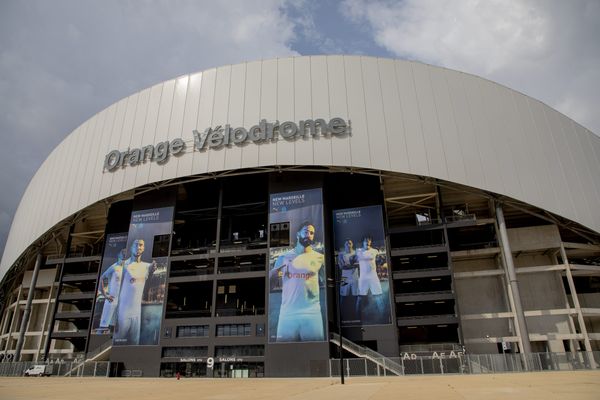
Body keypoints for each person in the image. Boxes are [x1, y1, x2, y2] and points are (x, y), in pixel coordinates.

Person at [270, 221, 325, 341]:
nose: (309, 235)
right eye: (306, 232)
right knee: (284, 354)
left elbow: (326, 282)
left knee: (315, 353)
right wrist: (272, 275)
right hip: (287, 315)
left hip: (312, 314)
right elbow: (269, 286)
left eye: (312, 233)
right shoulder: (283, 258)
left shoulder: (320, 258)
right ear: (298, 234)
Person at [114, 239, 156, 345]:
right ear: (132, 247)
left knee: (134, 344)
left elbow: (146, 286)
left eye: (141, 245)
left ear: (144, 248)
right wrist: (115, 316)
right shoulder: (124, 265)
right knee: (117, 343)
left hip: (137, 314)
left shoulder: (147, 266)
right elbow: (115, 290)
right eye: (136, 245)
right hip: (123, 314)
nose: (138, 247)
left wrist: (151, 272)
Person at [97, 248, 127, 331]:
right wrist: (105, 294)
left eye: (126, 253)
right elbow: (101, 278)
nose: (124, 254)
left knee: (115, 329)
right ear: (118, 254)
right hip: (111, 300)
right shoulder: (114, 267)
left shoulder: (127, 269)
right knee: (103, 326)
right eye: (122, 252)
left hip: (121, 302)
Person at [355, 235, 384, 319]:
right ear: (363, 242)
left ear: (370, 242)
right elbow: (353, 260)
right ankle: (357, 317)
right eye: (365, 240)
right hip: (363, 278)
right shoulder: (358, 251)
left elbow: (380, 261)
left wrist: (381, 261)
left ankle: (383, 316)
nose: (367, 242)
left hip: (373, 277)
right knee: (360, 298)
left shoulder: (375, 251)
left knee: (379, 297)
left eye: (369, 240)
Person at [338, 239, 358, 321]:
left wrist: (348, 266)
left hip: (355, 278)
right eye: (346, 243)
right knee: (343, 297)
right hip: (344, 278)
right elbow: (341, 267)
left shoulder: (356, 253)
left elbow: (358, 265)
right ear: (344, 245)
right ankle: (341, 314)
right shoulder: (341, 254)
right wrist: (352, 266)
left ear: (352, 244)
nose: (348, 244)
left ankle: (356, 315)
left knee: (356, 297)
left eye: (350, 243)